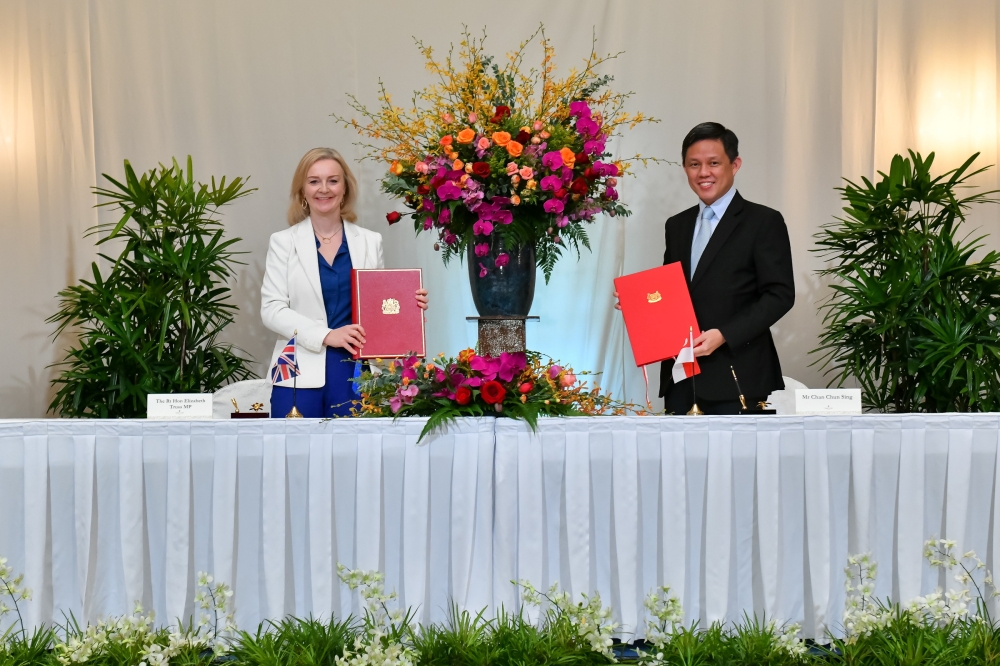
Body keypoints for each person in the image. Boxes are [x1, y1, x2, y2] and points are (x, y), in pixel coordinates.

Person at [615, 123, 794, 414]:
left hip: (740, 377)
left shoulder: (763, 221)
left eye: (714, 163)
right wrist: (639, 306)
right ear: (685, 168)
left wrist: (724, 334)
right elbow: (673, 291)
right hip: (683, 378)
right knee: (679, 460)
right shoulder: (677, 225)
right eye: (694, 164)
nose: (703, 173)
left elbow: (780, 295)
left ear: (734, 165)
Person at [261, 147, 428, 418]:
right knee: (294, 459)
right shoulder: (283, 242)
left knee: (355, 459)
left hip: (355, 371)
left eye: (333, 180)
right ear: (302, 190)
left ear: (345, 188)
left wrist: (409, 308)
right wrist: (327, 335)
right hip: (297, 373)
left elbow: (377, 305)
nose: (323, 189)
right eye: (314, 181)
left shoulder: (370, 241)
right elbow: (272, 310)